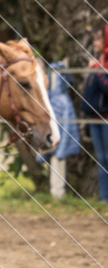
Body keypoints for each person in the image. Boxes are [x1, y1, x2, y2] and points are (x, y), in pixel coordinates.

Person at [40, 62, 81, 199]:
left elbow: (68, 126)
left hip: (61, 140)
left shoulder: (63, 101)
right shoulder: (49, 99)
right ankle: (55, 191)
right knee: (54, 162)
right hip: (52, 138)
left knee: (58, 162)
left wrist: (63, 146)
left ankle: (58, 192)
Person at [82, 24, 108, 202]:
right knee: (101, 159)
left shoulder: (101, 64)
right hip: (94, 118)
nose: (95, 43)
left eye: (98, 39)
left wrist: (97, 71)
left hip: (106, 119)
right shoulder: (98, 60)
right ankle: (103, 197)